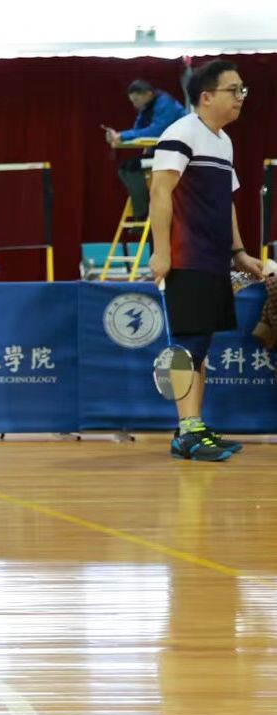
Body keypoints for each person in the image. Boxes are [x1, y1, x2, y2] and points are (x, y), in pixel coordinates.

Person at [148, 60, 272, 462]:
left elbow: (226, 202)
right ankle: (187, 432)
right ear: (206, 96)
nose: (240, 97)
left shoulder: (223, 142)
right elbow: (160, 192)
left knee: (200, 346)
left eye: (242, 90)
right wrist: (161, 252)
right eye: (233, 90)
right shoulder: (181, 133)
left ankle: (194, 426)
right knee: (187, 346)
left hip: (215, 260)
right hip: (186, 258)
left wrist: (239, 252)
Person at [105, 79, 184, 224]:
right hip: (161, 154)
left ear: (148, 94)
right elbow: (137, 130)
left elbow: (156, 131)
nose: (134, 104)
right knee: (126, 168)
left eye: (136, 100)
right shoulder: (146, 107)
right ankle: (142, 211)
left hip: (176, 155)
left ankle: (145, 212)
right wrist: (117, 137)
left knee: (133, 168)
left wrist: (122, 135)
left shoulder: (165, 104)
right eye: (132, 101)